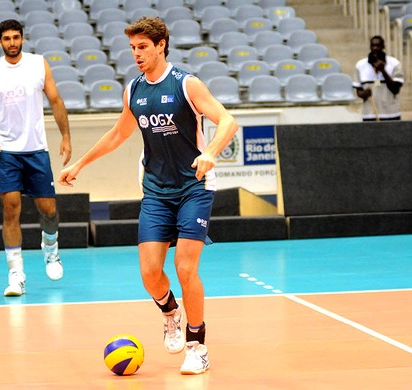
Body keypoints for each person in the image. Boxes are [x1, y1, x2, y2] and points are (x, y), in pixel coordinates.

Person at [58, 17, 238, 375]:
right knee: (150, 272)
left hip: (194, 187)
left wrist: (211, 152)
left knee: (185, 268)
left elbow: (227, 121)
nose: (137, 54)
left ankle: (196, 345)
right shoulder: (135, 90)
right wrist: (80, 164)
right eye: (133, 48)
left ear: (161, 45)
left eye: (143, 47)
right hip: (156, 190)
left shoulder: (186, 83)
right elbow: (117, 133)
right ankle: (170, 312)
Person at [0, 19, 72, 297]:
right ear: (0, 42)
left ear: (23, 39)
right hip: (5, 152)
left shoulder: (38, 64)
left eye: (16, 37)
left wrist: (66, 137)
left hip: (36, 150)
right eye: (7, 38)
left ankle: (51, 251)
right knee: (11, 208)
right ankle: (16, 275)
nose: (12, 42)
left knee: (48, 210)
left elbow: (56, 101)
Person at [353, 35, 404, 121]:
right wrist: (364, 93)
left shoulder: (394, 63)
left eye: (378, 45)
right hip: (369, 115)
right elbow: (358, 92)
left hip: (391, 114)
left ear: (383, 46)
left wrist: (383, 71)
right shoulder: (360, 65)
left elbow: (395, 89)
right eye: (373, 45)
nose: (375, 48)